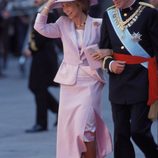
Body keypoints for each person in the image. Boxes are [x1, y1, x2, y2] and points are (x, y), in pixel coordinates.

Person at [34, 0, 112, 157]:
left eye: (68, 5)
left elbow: (114, 45)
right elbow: (40, 27)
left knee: (88, 126)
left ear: (80, 4)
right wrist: (48, 6)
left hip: (91, 80)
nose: (65, 9)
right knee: (72, 128)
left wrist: (107, 52)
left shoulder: (99, 24)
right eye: (62, 6)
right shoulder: (62, 23)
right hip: (70, 82)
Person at [99, 0, 158, 158]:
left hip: (143, 79)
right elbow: (104, 49)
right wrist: (110, 63)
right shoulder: (109, 14)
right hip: (119, 82)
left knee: (138, 131)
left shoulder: (149, 13)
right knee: (121, 133)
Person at [25, 0, 60, 133]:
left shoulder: (48, 11)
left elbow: (41, 36)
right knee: (36, 87)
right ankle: (57, 110)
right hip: (40, 54)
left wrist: (31, 48)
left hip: (43, 54)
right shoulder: (42, 9)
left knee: (37, 87)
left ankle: (41, 123)